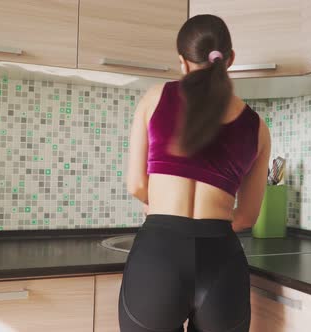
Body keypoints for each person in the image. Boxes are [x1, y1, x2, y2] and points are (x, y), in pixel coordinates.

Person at [120, 14, 271, 332]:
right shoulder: (257, 128)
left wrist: (159, 207)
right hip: (221, 262)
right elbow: (246, 217)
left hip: (158, 255)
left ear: (182, 62)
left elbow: (135, 184)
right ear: (229, 59)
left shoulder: (155, 98)